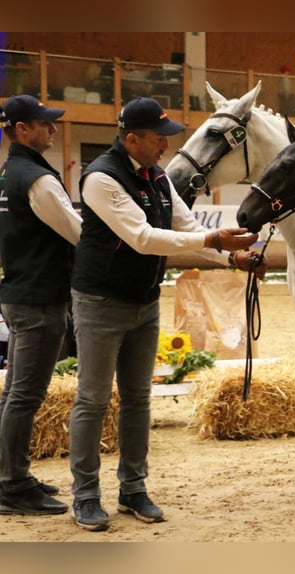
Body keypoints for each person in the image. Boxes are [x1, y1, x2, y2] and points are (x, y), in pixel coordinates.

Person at [68, 97, 262, 532]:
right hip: (99, 303)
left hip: (143, 301)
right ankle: (84, 496)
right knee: (93, 401)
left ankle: (133, 489)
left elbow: (188, 229)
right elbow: (142, 237)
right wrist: (215, 240)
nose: (165, 147)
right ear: (131, 138)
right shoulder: (100, 178)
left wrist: (232, 259)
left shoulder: (157, 176)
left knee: (137, 400)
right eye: (159, 138)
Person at [0, 95, 81, 515]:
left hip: (19, 293)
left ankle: (12, 476)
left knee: (15, 394)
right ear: (21, 130)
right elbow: (76, 232)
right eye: (44, 124)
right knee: (24, 397)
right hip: (39, 298)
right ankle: (12, 486)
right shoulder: (36, 178)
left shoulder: (10, 172)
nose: (52, 129)